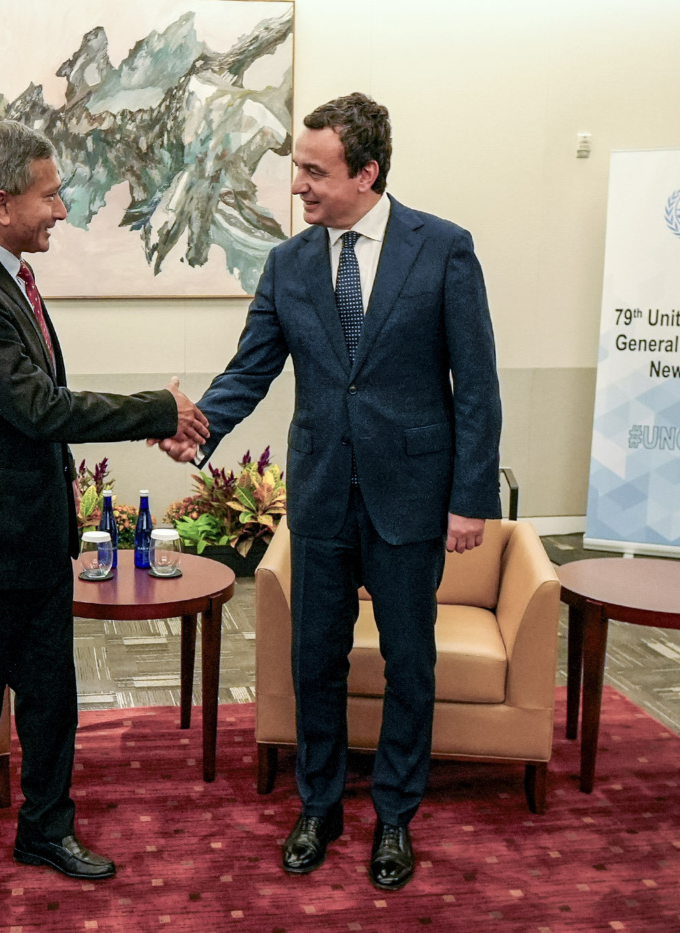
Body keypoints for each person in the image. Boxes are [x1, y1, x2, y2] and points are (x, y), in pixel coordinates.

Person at [156, 94, 502, 891]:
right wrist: (198, 429)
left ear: (366, 172)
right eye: (298, 168)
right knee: (315, 660)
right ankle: (319, 806)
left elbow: (477, 385)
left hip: (411, 496)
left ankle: (396, 815)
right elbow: (252, 367)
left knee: (410, 662)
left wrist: (470, 497)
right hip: (319, 496)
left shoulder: (443, 248)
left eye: (315, 171)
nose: (298, 186)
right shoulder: (288, 263)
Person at [0, 120, 209, 910]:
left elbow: (41, 408)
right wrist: (159, 407)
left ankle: (46, 828)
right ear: (2, 202)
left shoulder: (6, 273)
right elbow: (40, 408)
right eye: (49, 196)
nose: (62, 209)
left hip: (35, 534)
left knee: (51, 699)